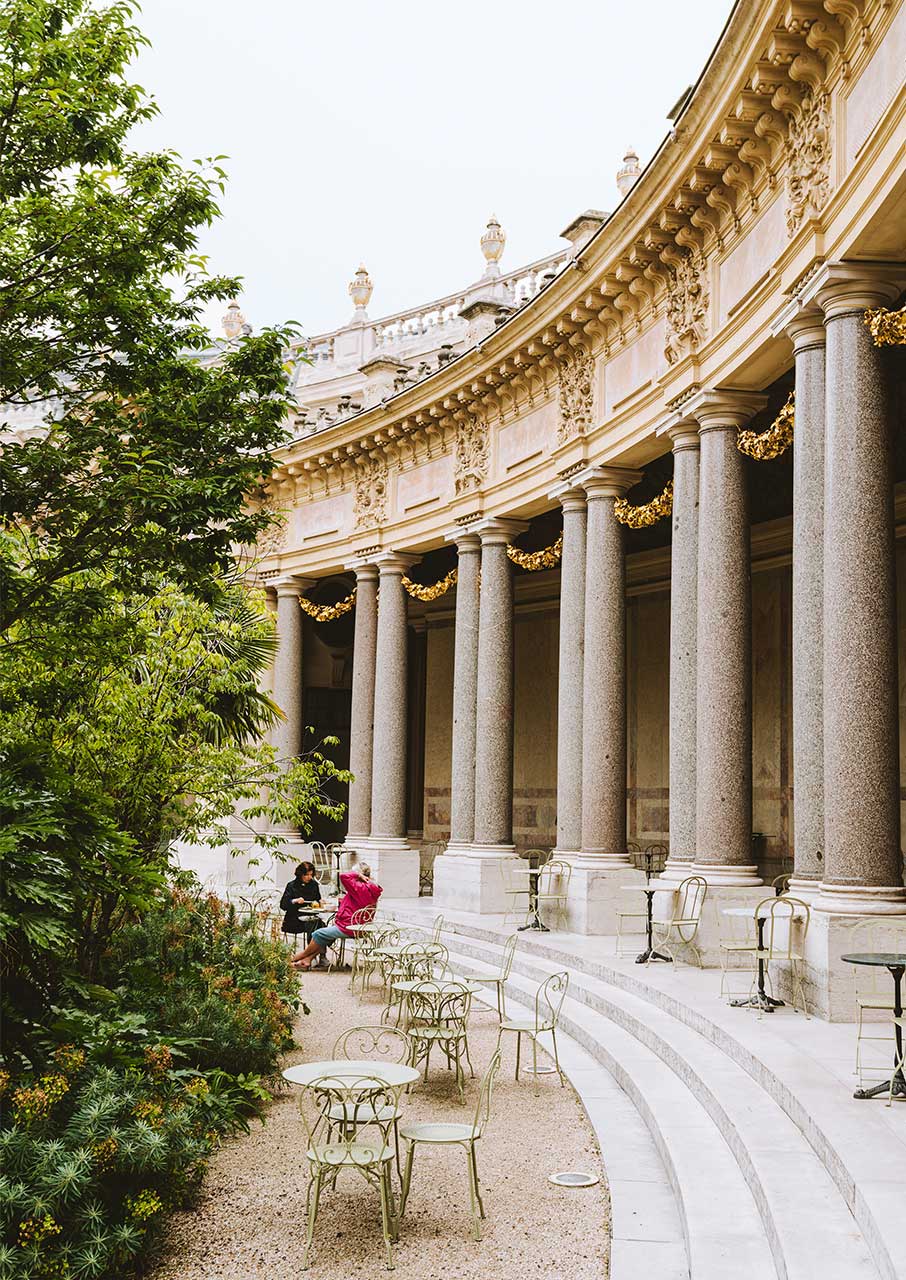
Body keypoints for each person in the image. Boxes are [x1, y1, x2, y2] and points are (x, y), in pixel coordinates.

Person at [290, 864, 382, 971]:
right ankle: (307, 960)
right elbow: (358, 903)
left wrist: (358, 875)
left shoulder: (359, 887)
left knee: (318, 934)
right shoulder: (370, 888)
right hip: (362, 926)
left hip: (350, 927)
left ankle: (299, 956)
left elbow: (343, 876)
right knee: (324, 935)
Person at [279, 862, 325, 941]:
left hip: (311, 917)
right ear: (300, 874)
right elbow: (283, 905)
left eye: (311, 875)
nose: (309, 877)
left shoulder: (314, 885)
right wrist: (294, 901)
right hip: (295, 919)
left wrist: (321, 902)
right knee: (317, 926)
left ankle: (313, 951)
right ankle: (315, 951)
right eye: (306, 875)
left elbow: (317, 899)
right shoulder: (292, 885)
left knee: (319, 926)